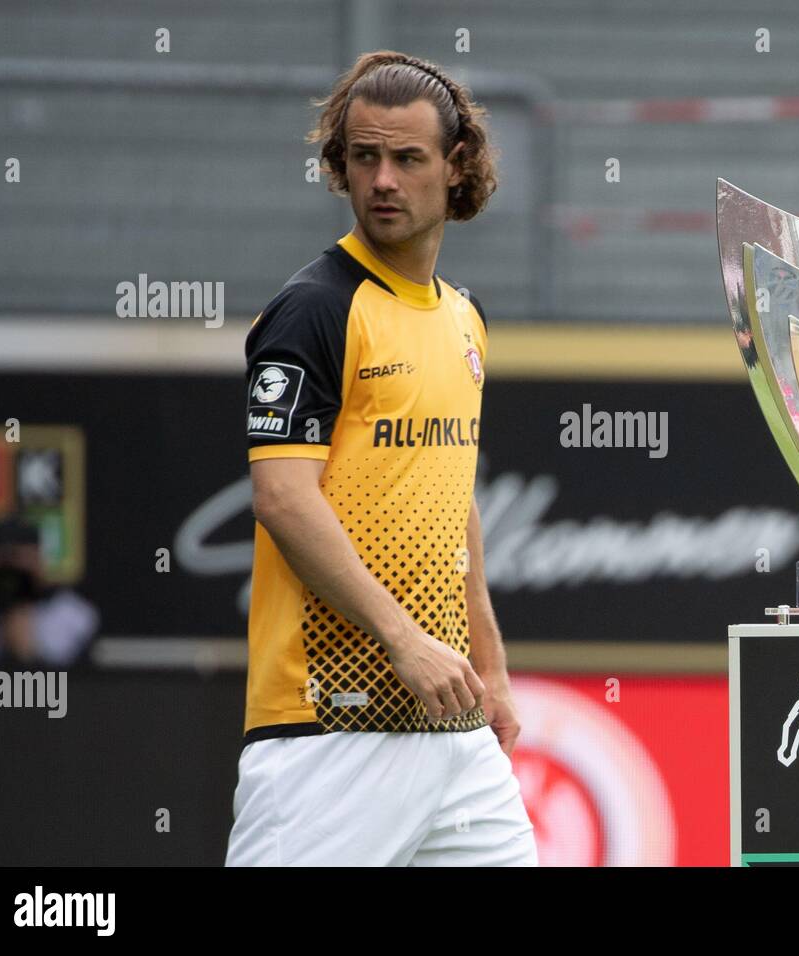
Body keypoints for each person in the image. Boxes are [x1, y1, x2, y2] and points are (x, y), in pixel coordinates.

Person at [225, 51, 536, 866]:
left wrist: (490, 667)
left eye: (407, 158)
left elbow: (451, 499)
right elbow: (284, 500)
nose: (383, 180)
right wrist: (404, 639)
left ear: (456, 166)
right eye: (363, 158)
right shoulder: (313, 311)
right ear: (340, 167)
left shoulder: (464, 318)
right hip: (329, 728)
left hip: (453, 732)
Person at [0, 515, 99, 668]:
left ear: (40, 560)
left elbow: (84, 683)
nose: (12, 572)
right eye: (4, 561)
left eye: (20, 558)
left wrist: (28, 650)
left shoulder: (70, 612)